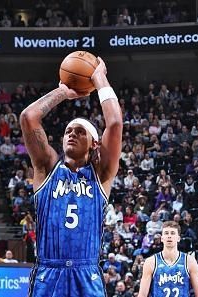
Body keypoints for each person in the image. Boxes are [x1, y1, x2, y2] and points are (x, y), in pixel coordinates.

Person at [20, 57, 122, 297]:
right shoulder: (46, 168)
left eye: (79, 132)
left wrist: (99, 79)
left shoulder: (101, 174)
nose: (72, 134)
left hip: (86, 274)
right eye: (68, 131)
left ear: (95, 143)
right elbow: (28, 118)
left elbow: (115, 123)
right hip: (48, 272)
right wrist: (62, 92)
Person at [138, 221, 198, 297]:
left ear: (178, 238)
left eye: (173, 233)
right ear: (162, 238)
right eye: (166, 233)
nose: (169, 236)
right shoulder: (151, 262)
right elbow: (142, 295)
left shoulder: (189, 261)